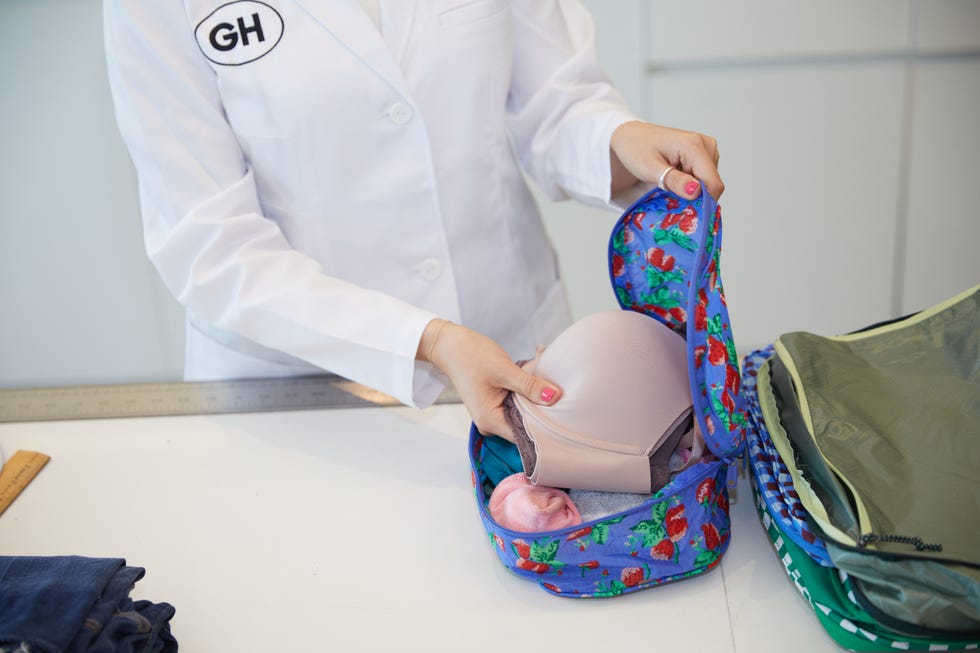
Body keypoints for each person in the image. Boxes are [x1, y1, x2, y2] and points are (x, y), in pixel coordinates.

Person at [103, 0, 723, 442]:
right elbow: (212, 246)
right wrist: (427, 340)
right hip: (296, 387)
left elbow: (555, 103)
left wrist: (620, 140)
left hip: (513, 346)